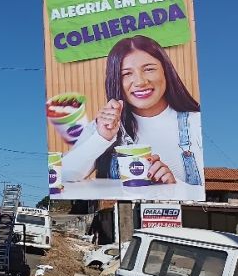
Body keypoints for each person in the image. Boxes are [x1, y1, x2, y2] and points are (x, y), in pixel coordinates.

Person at [62, 35, 203, 185]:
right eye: (127, 73)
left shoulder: (195, 123)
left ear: (166, 71)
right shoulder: (101, 128)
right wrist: (102, 138)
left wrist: (174, 188)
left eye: (149, 69)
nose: (140, 82)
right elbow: (62, 177)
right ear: (115, 80)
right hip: (123, 210)